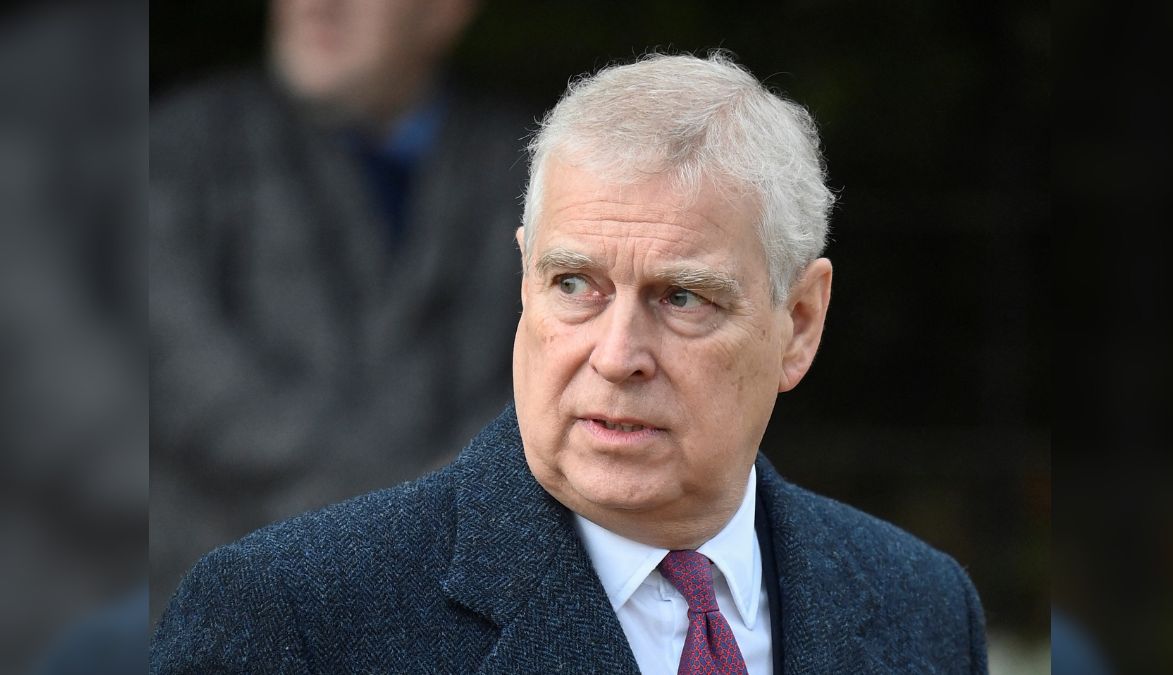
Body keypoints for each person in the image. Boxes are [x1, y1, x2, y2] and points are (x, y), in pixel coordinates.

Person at [152, 52, 987, 673]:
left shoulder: (923, 604)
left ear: (799, 323)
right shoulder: (290, 616)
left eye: (682, 298)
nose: (617, 355)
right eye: (576, 284)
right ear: (524, 282)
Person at [150, 0, 529, 621]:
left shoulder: (527, 168)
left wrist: (449, 501)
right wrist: (404, 503)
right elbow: (173, 363)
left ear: (445, 12)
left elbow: (565, 362)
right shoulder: (175, 149)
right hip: (216, 602)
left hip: (462, 610)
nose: (317, 6)